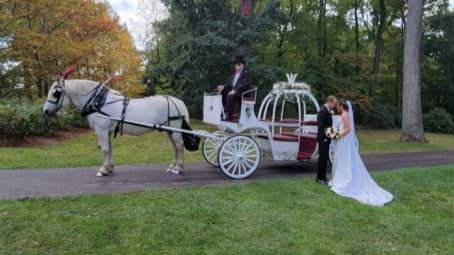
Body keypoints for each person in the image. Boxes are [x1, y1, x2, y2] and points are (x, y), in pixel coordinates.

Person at [329, 99, 393, 206]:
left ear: (341, 106)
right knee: (343, 160)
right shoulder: (346, 114)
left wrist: (339, 135)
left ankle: (343, 181)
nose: (336, 107)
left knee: (344, 160)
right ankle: (340, 178)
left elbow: (348, 129)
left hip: (343, 140)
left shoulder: (344, 115)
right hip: (344, 140)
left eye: (338, 106)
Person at [217, 55, 252, 120]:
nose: (238, 66)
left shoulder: (246, 74)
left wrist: (235, 90)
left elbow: (245, 85)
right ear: (235, 66)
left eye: (239, 64)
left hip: (242, 94)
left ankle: (228, 115)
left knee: (230, 95)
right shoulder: (233, 75)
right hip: (233, 93)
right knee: (222, 92)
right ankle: (222, 112)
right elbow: (228, 84)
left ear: (243, 65)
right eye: (237, 65)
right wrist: (223, 87)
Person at [316, 95, 337, 185]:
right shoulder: (322, 112)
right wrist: (333, 135)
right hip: (323, 138)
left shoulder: (327, 111)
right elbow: (322, 128)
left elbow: (328, 126)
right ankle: (320, 178)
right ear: (330, 102)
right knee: (322, 159)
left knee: (325, 159)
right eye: (334, 103)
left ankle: (323, 177)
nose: (335, 106)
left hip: (326, 137)